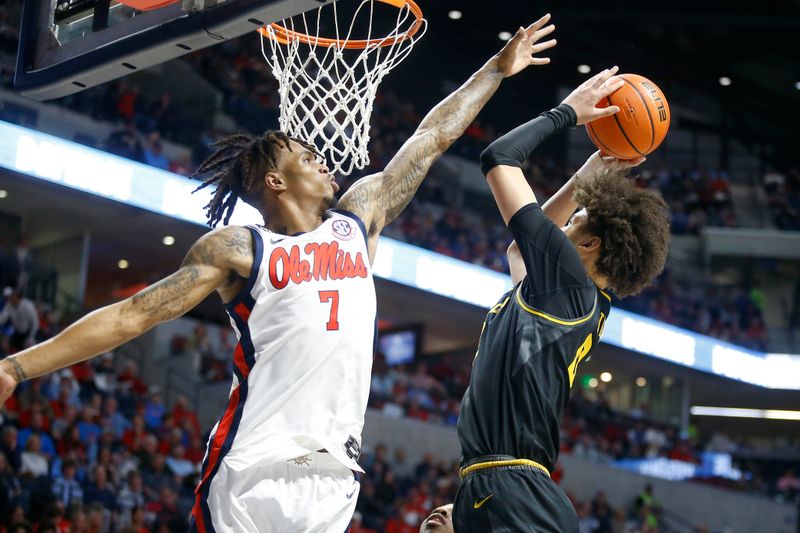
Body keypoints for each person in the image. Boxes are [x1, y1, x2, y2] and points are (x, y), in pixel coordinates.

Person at [0, 14, 558, 532]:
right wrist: (17, 368)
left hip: (335, 477)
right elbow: (132, 314)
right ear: (274, 181)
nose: (322, 157)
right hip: (251, 469)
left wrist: (494, 71)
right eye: (306, 156)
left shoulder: (358, 219)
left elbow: (432, 139)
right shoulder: (239, 249)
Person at [452, 66, 671, 532]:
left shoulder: (567, 283)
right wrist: (587, 175)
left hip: (515, 489)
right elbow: (517, 250)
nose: (562, 225)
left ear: (589, 246)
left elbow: (499, 157)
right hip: (505, 485)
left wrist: (567, 112)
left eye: (575, 222)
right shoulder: (568, 296)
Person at [0, 288, 39, 353]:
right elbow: (2, 318)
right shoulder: (9, 305)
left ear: (18, 297)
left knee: (29, 349)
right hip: (17, 331)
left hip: (29, 332)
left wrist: (31, 336)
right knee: (10, 347)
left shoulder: (28, 306)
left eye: (13, 296)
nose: (11, 298)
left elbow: (35, 323)